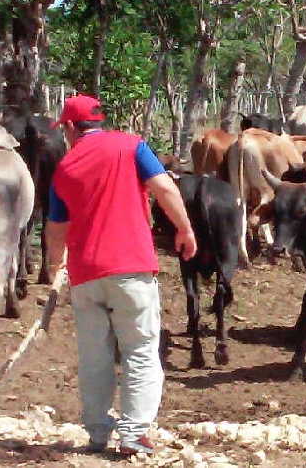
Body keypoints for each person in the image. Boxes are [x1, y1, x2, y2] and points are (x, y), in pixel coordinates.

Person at [45, 94, 197, 456]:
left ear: (69, 127)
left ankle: (97, 433)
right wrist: (185, 228)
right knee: (141, 351)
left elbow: (55, 229)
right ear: (99, 120)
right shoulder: (132, 146)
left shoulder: (65, 167)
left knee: (94, 356)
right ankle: (133, 433)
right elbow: (163, 187)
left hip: (85, 275)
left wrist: (55, 265)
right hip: (131, 268)